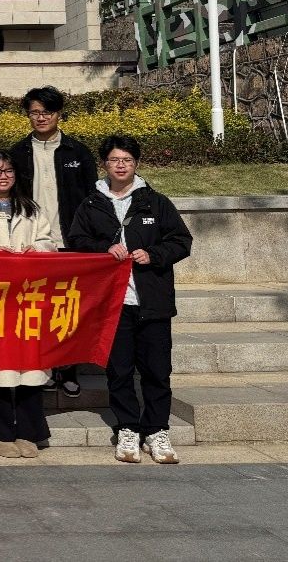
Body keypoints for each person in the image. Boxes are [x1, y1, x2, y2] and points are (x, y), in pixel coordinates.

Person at [68, 134, 192, 465]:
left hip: (152, 301)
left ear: (136, 164)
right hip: (113, 303)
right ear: (104, 164)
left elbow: (181, 241)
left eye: (126, 160)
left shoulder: (155, 202)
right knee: (119, 371)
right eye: (114, 160)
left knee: (157, 371)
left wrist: (153, 254)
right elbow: (76, 240)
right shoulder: (91, 204)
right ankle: (127, 429)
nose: (120, 166)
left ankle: (157, 431)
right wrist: (103, 249)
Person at [0, 150, 56, 459]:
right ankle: (2, 433)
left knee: (31, 368)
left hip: (28, 299)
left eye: (7, 171)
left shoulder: (31, 209)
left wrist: (36, 249)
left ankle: (29, 431)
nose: (2, 176)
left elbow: (48, 242)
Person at [9, 86, 98, 398]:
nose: (41, 117)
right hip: (33, 244)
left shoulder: (78, 152)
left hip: (70, 242)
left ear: (59, 113)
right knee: (39, 308)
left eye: (47, 111)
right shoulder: (17, 153)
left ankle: (69, 369)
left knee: (68, 308)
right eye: (34, 112)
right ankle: (44, 367)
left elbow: (91, 198)